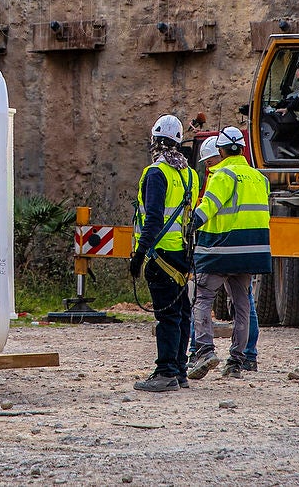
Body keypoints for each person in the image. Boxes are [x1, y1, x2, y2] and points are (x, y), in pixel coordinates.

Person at [187, 126, 270, 381]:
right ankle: (237, 360)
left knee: (202, 299)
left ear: (221, 150)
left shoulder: (223, 174)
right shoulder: (259, 177)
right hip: (251, 253)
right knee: (242, 305)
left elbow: (208, 206)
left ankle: (204, 350)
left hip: (220, 250)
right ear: (243, 149)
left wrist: (189, 224)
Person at [129, 114, 198, 392]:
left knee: (167, 315)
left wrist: (139, 254)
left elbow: (154, 219)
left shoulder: (156, 173)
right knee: (181, 313)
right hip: (182, 255)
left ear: (156, 141)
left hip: (160, 256)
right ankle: (179, 370)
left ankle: (166, 371)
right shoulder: (189, 174)